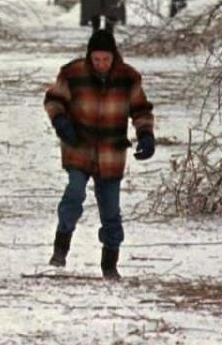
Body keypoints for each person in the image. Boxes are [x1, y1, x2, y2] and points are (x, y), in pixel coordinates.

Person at [43, 29, 156, 280]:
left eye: (106, 59)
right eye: (96, 59)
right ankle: (62, 242)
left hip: (111, 153)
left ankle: (110, 263)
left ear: (113, 57)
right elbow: (53, 99)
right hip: (78, 146)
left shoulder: (128, 78)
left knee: (111, 211)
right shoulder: (72, 73)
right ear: (89, 57)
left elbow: (140, 109)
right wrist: (61, 121)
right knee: (74, 193)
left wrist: (146, 134)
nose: (101, 64)